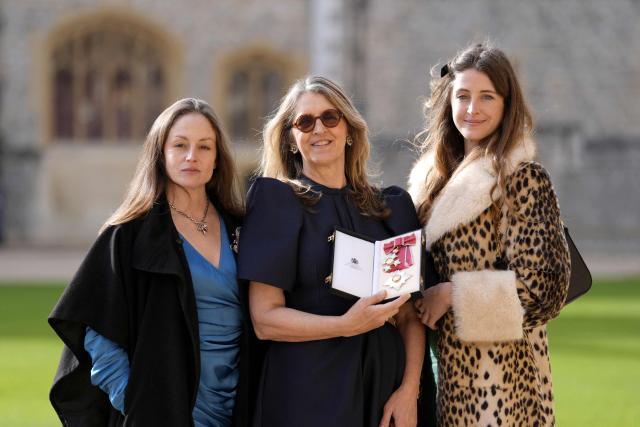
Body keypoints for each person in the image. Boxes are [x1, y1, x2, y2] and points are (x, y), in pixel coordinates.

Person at [237, 76, 432, 427]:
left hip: (384, 392)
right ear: (291, 139)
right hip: (306, 391)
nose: (318, 129)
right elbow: (265, 319)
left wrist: (409, 390)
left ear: (350, 130)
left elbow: (408, 316)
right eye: (304, 122)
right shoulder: (277, 203)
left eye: (330, 117)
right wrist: (344, 325)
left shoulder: (391, 209)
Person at [49, 98, 256, 426]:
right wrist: (136, 402)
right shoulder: (130, 233)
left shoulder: (241, 227)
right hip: (163, 409)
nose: (192, 156)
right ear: (160, 153)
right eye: (180, 145)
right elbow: (97, 334)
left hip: (236, 407)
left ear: (217, 158)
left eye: (204, 147)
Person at [408, 43, 571, 426]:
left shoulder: (522, 178)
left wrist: (452, 294)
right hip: (437, 373)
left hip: (499, 388)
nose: (472, 109)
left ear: (506, 103)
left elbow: (544, 290)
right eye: (462, 96)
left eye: (486, 97)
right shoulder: (430, 182)